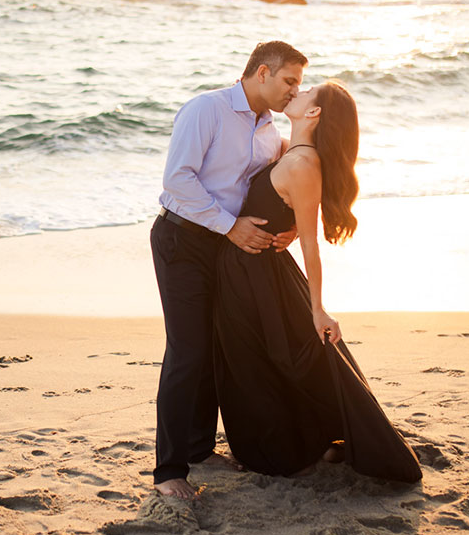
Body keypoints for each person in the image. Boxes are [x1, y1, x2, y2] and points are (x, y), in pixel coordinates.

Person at [211, 81, 422, 482]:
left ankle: (280, 451)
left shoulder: (304, 164)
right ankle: (300, 438)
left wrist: (318, 307)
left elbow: (311, 245)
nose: (298, 91)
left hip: (257, 273)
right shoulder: (294, 149)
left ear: (315, 113)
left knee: (253, 363)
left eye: (307, 91)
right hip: (252, 269)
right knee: (254, 360)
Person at [149, 41, 304, 500]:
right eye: (289, 81)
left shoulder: (269, 130)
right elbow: (177, 178)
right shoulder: (206, 109)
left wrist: (290, 227)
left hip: (225, 246)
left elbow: (282, 181)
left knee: (216, 349)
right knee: (187, 351)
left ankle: (199, 447)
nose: (295, 91)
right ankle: (168, 471)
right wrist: (228, 226)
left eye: (299, 83)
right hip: (182, 239)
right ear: (262, 72)